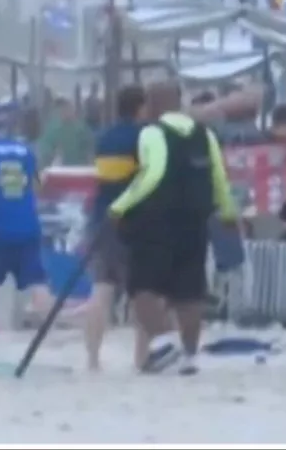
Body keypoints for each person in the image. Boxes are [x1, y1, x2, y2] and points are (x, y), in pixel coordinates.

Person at [107, 82, 238, 375]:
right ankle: (190, 356)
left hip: (157, 222)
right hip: (195, 222)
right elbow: (219, 176)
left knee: (143, 288)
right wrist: (228, 211)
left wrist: (119, 205)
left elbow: (151, 175)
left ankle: (165, 344)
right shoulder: (206, 135)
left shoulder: (152, 133)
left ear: (152, 104)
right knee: (189, 293)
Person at [83, 85, 148, 372]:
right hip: (134, 221)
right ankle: (140, 360)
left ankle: (93, 360)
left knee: (101, 291)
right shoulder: (143, 137)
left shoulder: (103, 138)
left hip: (102, 219)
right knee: (141, 293)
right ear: (141, 108)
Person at [0, 116, 57, 317]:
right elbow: (35, 187)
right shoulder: (25, 151)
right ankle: (50, 328)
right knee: (37, 282)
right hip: (28, 228)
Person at [37, 99, 96, 167]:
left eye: (69, 109)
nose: (67, 112)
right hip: (64, 171)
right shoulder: (51, 130)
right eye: (64, 110)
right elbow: (45, 154)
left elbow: (90, 153)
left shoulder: (82, 129)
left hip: (77, 171)